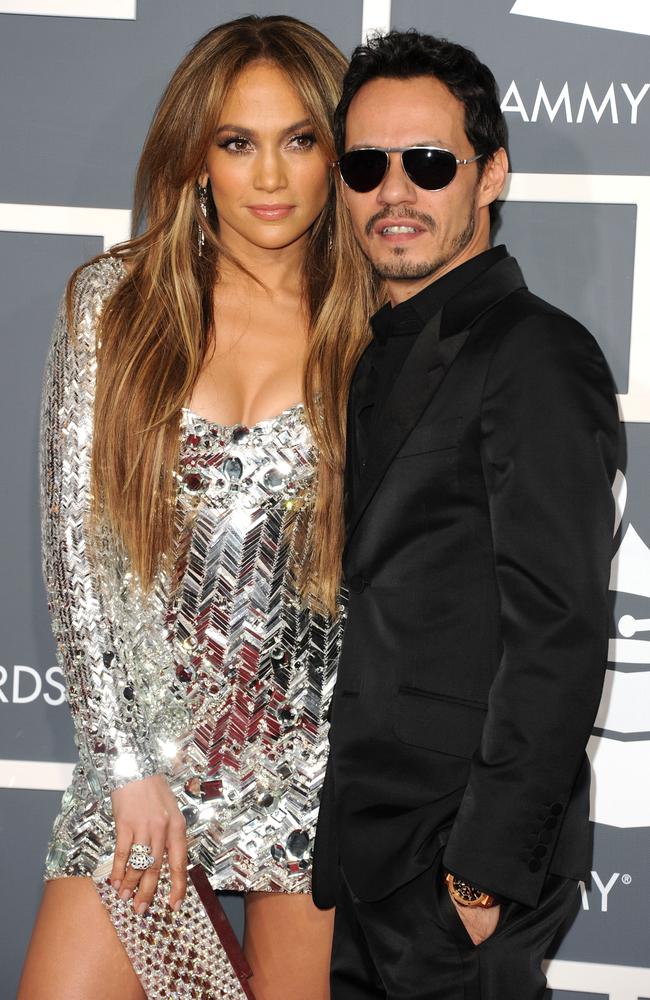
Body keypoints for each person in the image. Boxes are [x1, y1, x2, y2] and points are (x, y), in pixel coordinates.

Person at [19, 15, 377, 1000]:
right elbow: (82, 553)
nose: (269, 176)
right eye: (237, 141)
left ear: (338, 153)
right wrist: (131, 768)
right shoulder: (113, 302)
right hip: (147, 766)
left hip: (318, 771)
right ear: (197, 156)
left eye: (300, 140)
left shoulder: (382, 325)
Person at [312, 29, 620, 1000]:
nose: (392, 191)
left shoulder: (534, 353)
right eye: (365, 165)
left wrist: (479, 871)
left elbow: (557, 634)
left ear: (489, 175)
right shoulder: (367, 352)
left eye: (428, 163)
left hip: (453, 872)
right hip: (364, 860)